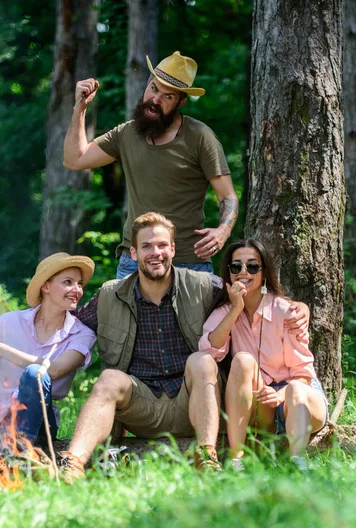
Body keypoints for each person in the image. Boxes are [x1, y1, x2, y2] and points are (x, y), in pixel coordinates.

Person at [59, 212, 224, 481]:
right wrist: (16, 322)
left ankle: (207, 457)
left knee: (202, 361)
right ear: (134, 253)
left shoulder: (204, 286)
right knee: (109, 378)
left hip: (190, 403)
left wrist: (295, 309)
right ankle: (73, 464)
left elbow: (250, 300)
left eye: (161, 245)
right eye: (147, 246)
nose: (155, 253)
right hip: (140, 407)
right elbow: (66, 324)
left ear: (172, 248)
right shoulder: (110, 295)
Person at [63, 50, 239, 278]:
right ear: (147, 84)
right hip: (134, 262)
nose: (155, 100)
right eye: (154, 89)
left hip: (187, 263)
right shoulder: (126, 134)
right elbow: (74, 159)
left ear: (181, 102)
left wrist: (223, 230)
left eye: (168, 97)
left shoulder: (200, 137)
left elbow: (228, 196)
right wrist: (81, 107)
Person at [199, 239, 328, 470]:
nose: (244, 273)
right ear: (228, 273)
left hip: (299, 398)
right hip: (262, 402)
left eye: (252, 266)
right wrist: (235, 309)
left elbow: (303, 375)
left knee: (297, 389)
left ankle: (297, 463)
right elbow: (208, 351)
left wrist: (281, 395)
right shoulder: (225, 311)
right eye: (236, 267)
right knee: (242, 360)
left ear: (264, 272)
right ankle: (237, 461)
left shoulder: (286, 311)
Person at [0, 253, 96, 444]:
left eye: (80, 284)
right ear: (45, 286)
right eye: (68, 282)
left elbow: (54, 370)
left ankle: (13, 450)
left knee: (35, 373)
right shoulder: (8, 321)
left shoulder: (81, 334)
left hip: (33, 424)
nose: (77, 290)